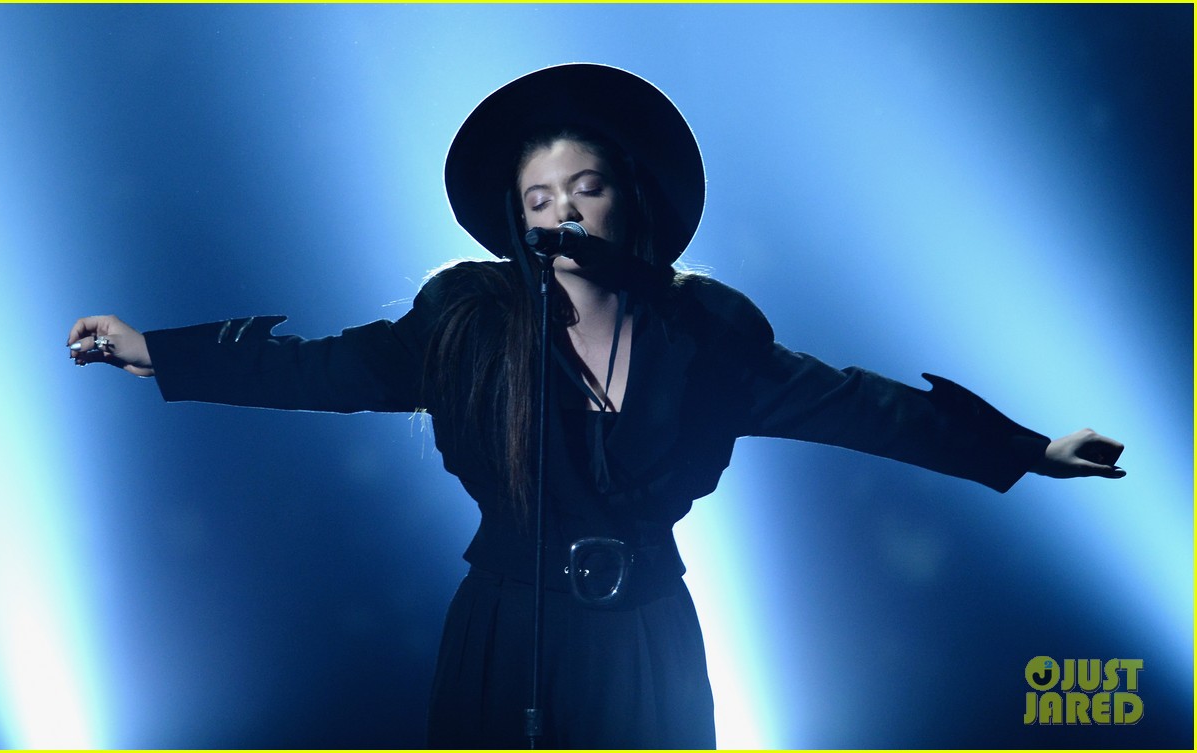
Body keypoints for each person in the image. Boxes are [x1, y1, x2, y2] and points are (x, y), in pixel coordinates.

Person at [66, 63, 1125, 749]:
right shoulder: (466, 326)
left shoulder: (706, 336)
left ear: (629, 201)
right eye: (537, 199)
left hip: (643, 634)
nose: (561, 210)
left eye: (584, 188)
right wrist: (155, 352)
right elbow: (323, 372)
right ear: (512, 224)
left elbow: (859, 406)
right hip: (504, 627)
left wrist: (1027, 448)